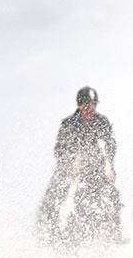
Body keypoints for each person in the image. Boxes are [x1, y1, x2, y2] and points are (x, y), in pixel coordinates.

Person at [40, 86, 124, 243]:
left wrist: (109, 166)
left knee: (113, 196)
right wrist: (72, 160)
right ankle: (52, 233)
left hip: (95, 170)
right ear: (79, 104)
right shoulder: (68, 124)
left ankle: (115, 234)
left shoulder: (102, 122)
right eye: (86, 104)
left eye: (93, 105)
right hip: (70, 171)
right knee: (54, 195)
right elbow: (59, 149)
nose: (89, 108)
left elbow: (110, 145)